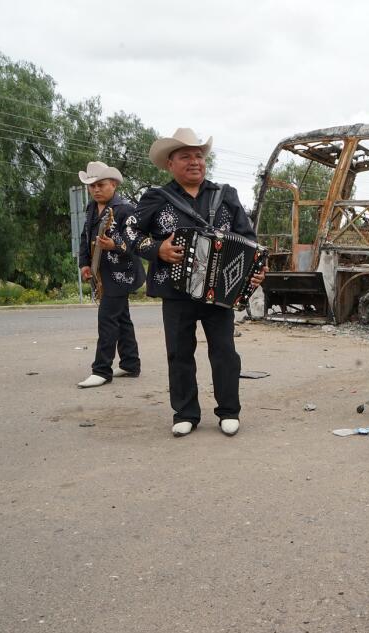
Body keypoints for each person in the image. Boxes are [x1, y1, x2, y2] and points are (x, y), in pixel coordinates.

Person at [123, 128, 265, 438]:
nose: (194, 162)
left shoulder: (225, 195)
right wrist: (157, 249)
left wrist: (254, 270)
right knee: (178, 351)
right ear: (170, 164)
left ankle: (229, 411)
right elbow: (129, 232)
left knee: (225, 351)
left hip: (220, 291)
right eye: (185, 156)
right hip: (175, 290)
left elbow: (249, 240)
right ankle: (185, 412)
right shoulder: (156, 198)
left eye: (198, 156)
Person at [76, 161, 144, 388]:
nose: (95, 189)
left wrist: (115, 245)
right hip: (101, 272)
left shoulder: (125, 209)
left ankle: (102, 370)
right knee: (121, 318)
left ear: (113, 184)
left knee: (107, 319)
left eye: (100, 184)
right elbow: (86, 237)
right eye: (91, 185)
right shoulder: (90, 208)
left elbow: (137, 243)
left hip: (121, 273)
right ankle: (130, 363)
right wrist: (84, 263)